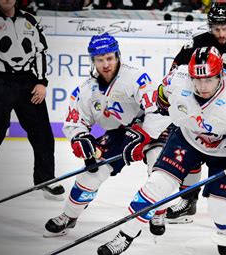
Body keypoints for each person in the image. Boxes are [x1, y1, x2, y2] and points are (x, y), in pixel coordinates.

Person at [95, 46, 226, 255]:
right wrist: (146, 132)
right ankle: (125, 235)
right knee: (156, 184)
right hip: (187, 138)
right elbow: (161, 104)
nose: (202, 86)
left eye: (208, 79)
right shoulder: (177, 78)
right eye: (197, 80)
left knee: (221, 210)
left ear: (220, 75)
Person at [43, 32, 170, 237]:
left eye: (110, 58)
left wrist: (143, 134)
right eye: (100, 60)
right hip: (119, 134)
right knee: (92, 173)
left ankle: (159, 211)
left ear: (118, 56)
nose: (106, 64)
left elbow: (159, 111)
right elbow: (74, 121)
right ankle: (69, 215)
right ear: (93, 60)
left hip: (151, 130)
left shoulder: (136, 77)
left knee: (158, 166)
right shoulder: (86, 90)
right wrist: (79, 138)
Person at [161, 0, 226, 226]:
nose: (221, 33)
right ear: (209, 26)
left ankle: (225, 212)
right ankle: (188, 200)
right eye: (216, 28)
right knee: (189, 147)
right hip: (199, 107)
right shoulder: (197, 43)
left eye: (225, 28)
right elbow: (176, 72)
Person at [0, 0, 64, 201]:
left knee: (42, 132)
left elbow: (40, 52)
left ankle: (45, 179)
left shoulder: (30, 20)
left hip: (28, 83)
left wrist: (42, 81)